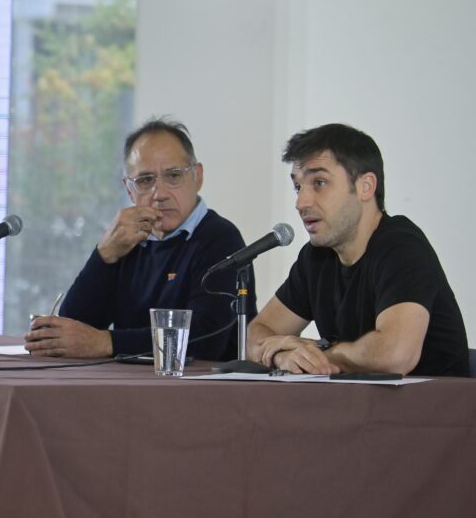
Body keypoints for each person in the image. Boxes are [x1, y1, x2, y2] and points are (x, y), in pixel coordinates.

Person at [248, 122, 468, 378]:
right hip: (358, 401)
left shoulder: (401, 246)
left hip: (434, 402)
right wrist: (283, 356)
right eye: (298, 187)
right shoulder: (316, 257)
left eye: (319, 183)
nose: (301, 202)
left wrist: (318, 354)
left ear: (366, 186)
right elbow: (256, 334)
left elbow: (395, 355)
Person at [24, 117, 255, 360]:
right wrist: (104, 255)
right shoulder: (127, 240)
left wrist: (107, 342)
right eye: (145, 181)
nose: (160, 194)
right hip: (128, 381)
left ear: (197, 177)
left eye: (173, 176)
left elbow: (206, 340)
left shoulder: (220, 239)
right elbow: (72, 331)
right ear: (129, 190)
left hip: (206, 383)